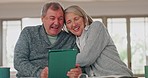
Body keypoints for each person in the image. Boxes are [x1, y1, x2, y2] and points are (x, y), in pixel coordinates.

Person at [14, 2, 81, 78]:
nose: (56, 23)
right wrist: (40, 73)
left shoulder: (70, 38)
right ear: (43, 19)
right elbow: (18, 61)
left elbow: (78, 63)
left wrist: (78, 71)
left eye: (60, 19)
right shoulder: (28, 33)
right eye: (52, 18)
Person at [65, 5, 133, 77]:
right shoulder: (76, 41)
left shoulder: (96, 27)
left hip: (118, 75)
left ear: (84, 19)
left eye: (76, 19)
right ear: (66, 27)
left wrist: (60, 61)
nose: (74, 24)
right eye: (69, 22)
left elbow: (86, 58)